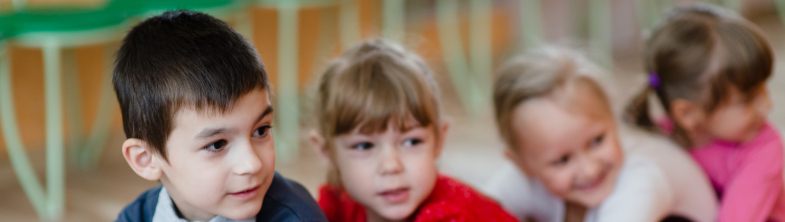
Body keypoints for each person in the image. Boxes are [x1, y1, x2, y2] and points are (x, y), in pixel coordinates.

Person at [113, 10, 327, 222]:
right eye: (217, 144)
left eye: (260, 131)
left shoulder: (298, 216)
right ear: (146, 159)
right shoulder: (136, 217)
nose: (252, 164)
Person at [485, 47, 717, 222]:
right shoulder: (526, 175)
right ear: (521, 164)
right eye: (562, 160)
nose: (590, 169)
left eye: (597, 141)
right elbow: (476, 209)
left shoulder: (640, 179)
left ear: (611, 116)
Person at [309, 39, 517, 222]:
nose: (391, 166)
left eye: (412, 142)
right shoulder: (341, 202)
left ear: (439, 140)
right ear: (326, 151)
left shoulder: (451, 215)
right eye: (364, 145)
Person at [626, 4, 785, 222]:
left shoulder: (763, 147)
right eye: (747, 100)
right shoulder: (657, 139)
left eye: (764, 89)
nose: (767, 106)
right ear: (687, 114)